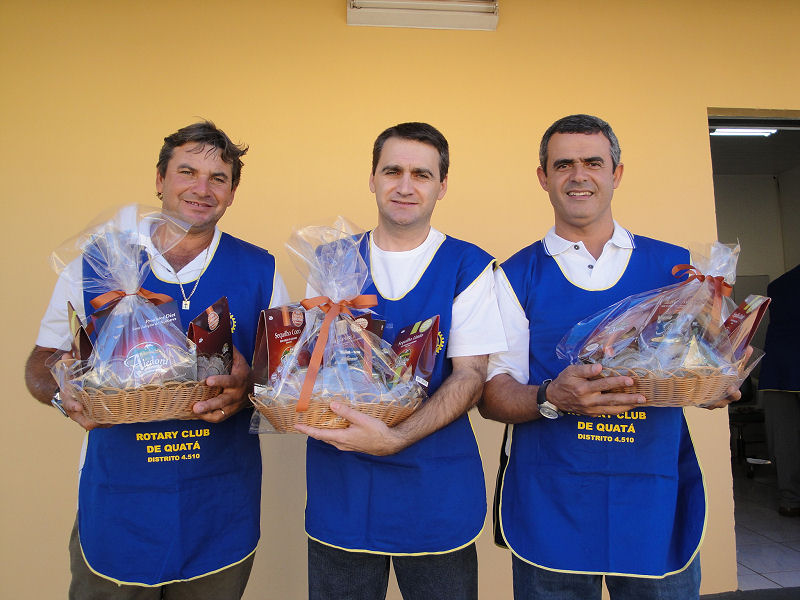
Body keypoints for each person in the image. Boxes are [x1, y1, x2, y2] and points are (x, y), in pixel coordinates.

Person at [479, 114, 744, 600]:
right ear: (543, 177)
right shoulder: (513, 277)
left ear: (617, 173)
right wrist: (551, 397)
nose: (578, 175)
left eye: (593, 163)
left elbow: (708, 369)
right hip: (552, 499)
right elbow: (493, 397)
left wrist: (714, 387)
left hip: (652, 496)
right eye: (563, 164)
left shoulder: (678, 269)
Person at [24, 121, 290, 599]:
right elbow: (43, 361)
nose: (201, 189)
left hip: (220, 501)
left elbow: (286, 379)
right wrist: (64, 396)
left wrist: (248, 388)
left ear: (232, 193)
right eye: (187, 172)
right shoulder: (96, 264)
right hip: (120, 501)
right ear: (159, 179)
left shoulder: (260, 270)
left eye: (218, 178)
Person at [293, 122, 507, 600]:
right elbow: (313, 366)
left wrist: (396, 437)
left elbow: (471, 375)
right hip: (343, 485)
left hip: (435, 489)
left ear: (442, 186)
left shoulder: (468, 266)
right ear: (372, 178)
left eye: (421, 174)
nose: (405, 186)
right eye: (392, 171)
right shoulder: (331, 261)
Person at [759, 264, 800, 517]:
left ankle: (790, 499)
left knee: (785, 440)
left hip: (778, 371)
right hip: (783, 369)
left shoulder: (777, 286)